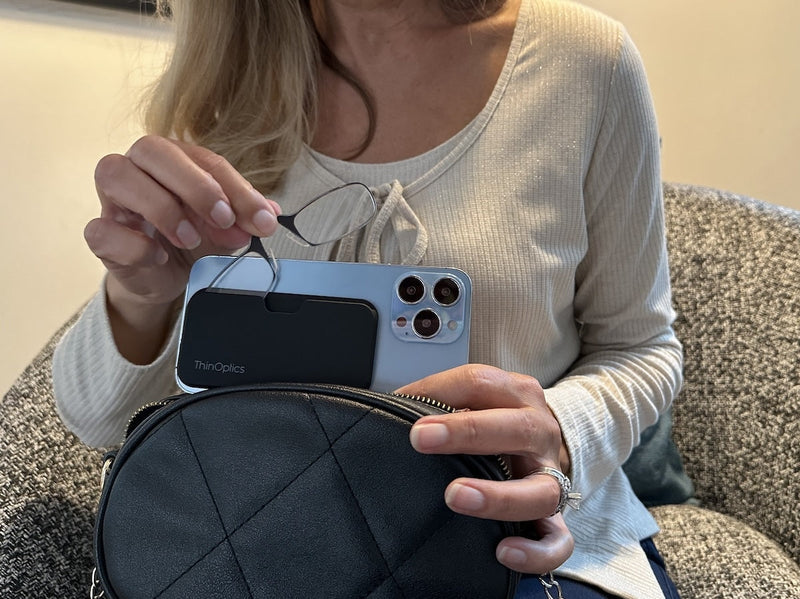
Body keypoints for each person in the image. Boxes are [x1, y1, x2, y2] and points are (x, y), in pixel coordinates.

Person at [52, 1, 683, 597]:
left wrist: (559, 434)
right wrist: (141, 294)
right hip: (265, 545)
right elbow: (97, 420)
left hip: (523, 543)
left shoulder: (584, 61)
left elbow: (641, 348)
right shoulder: (226, 84)